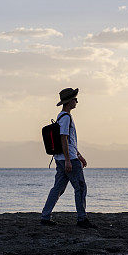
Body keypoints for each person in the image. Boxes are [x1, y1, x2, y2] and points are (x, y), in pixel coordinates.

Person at [40, 87, 96, 228]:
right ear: (69, 101)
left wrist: (79, 155)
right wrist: (69, 160)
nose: (77, 101)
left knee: (58, 188)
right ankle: (82, 219)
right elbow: (64, 139)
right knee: (81, 187)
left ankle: (45, 216)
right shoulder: (66, 117)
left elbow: (70, 141)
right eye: (75, 99)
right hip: (67, 159)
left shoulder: (61, 117)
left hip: (61, 158)